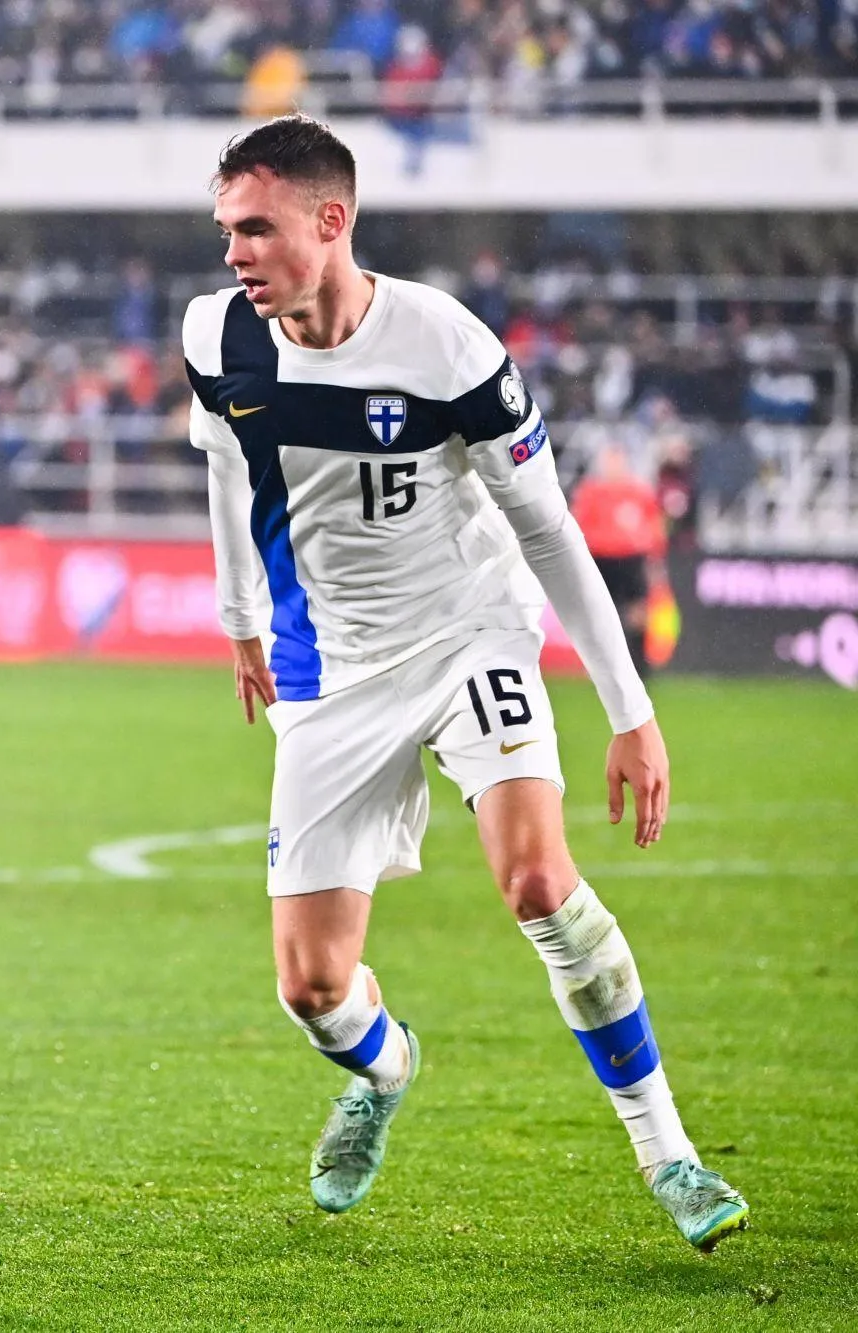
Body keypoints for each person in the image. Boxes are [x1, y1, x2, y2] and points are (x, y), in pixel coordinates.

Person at [183, 115, 746, 1250]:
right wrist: (241, 619)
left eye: (255, 228)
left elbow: (548, 532)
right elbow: (224, 469)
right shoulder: (215, 337)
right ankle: (383, 1072)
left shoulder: (446, 347)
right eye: (224, 231)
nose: (234, 252)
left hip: (467, 633)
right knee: (311, 988)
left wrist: (628, 712)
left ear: (329, 221)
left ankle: (666, 1153)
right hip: (328, 670)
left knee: (537, 882)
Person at [569, 447, 667, 678]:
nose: (613, 468)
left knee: (638, 613)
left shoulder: (639, 492)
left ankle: (639, 663)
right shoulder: (591, 492)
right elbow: (579, 527)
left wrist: (654, 559)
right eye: (609, 463)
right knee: (601, 613)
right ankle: (601, 667)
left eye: (617, 462)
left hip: (632, 559)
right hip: (602, 559)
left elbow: (654, 528)